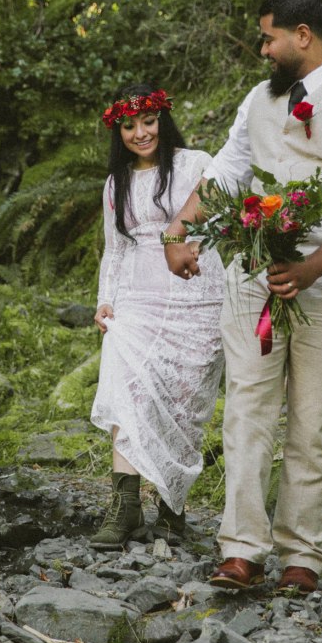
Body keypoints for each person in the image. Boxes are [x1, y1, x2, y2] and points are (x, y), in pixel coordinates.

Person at [163, 0, 322, 593]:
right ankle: (241, 549)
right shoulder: (258, 99)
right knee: (247, 411)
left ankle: (303, 555)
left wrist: (311, 271)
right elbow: (227, 169)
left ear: (303, 35)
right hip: (253, 274)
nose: (262, 49)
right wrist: (181, 228)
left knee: (315, 418)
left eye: (268, 37)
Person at [89, 84, 224, 549]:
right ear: (118, 131)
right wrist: (107, 300)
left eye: (148, 122)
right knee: (127, 386)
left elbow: (220, 222)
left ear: (162, 120)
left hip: (195, 291)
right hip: (137, 297)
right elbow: (115, 249)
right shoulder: (116, 183)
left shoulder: (195, 164)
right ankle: (125, 507)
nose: (140, 133)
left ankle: (173, 510)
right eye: (129, 126)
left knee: (185, 400)